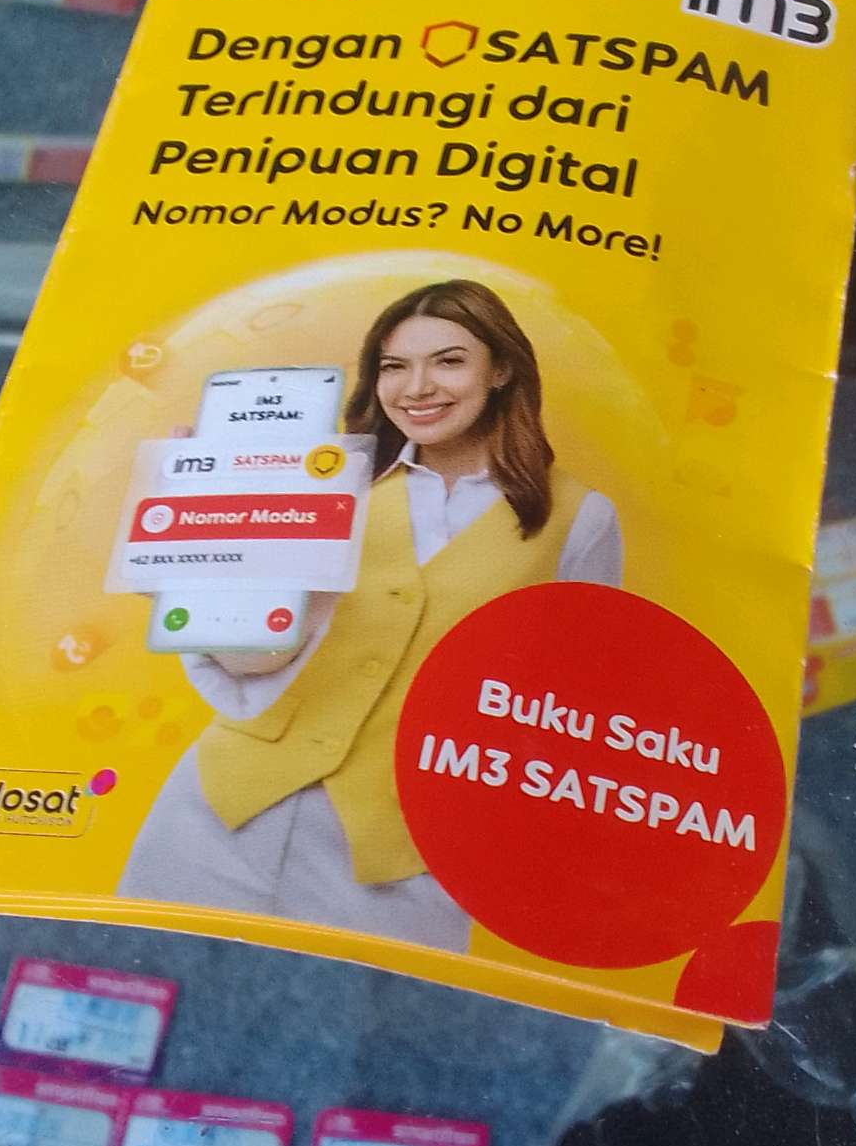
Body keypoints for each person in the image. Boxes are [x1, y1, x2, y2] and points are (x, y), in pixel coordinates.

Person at [118, 279, 621, 948]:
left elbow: (570, 709)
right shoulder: (322, 475)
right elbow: (251, 656)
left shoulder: (580, 518)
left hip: (402, 863)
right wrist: (187, 556)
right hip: (216, 817)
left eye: (448, 361)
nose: (417, 388)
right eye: (394, 366)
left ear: (501, 369)